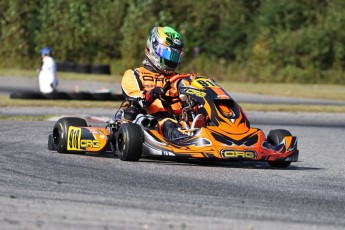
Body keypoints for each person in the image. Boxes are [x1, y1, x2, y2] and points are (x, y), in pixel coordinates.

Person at [121, 26, 189, 140]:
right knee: (167, 123)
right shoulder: (134, 74)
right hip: (147, 120)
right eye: (168, 55)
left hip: (176, 120)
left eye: (175, 56)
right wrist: (152, 93)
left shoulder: (178, 79)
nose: (171, 60)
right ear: (153, 48)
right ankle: (185, 141)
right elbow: (136, 97)